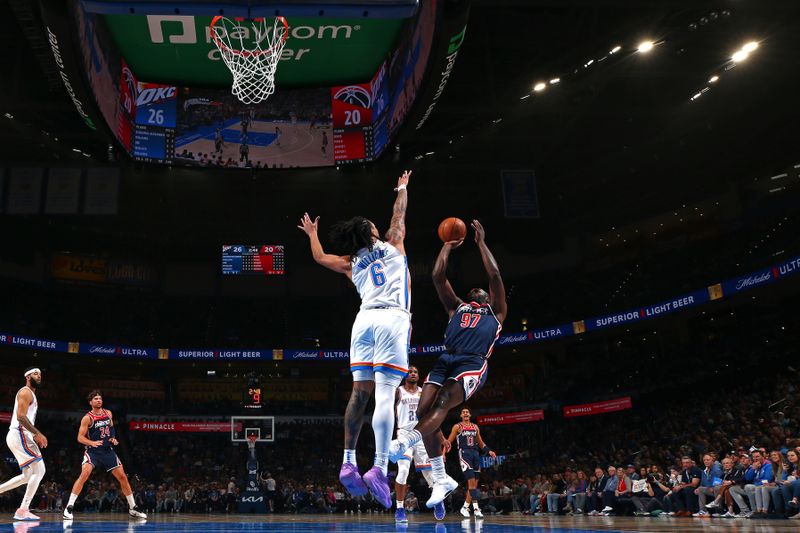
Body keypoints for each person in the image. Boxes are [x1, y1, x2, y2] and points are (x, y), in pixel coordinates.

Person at [297, 170, 412, 509]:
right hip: (392, 317)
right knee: (386, 393)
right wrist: (402, 186)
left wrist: (313, 234)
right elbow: (399, 212)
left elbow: (318, 258)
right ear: (373, 232)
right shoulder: (393, 243)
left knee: (359, 394)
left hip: (363, 322)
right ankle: (378, 466)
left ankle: (348, 460)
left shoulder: (351, 261)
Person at [389, 220, 506, 520]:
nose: (478, 289)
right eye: (474, 289)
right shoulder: (457, 307)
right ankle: (441, 479)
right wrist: (446, 246)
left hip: (472, 362)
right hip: (447, 357)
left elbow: (493, 274)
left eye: (481, 290)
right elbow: (437, 275)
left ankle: (406, 440)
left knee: (441, 404)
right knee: (423, 410)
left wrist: (480, 243)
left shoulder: (497, 310)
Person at [62, 391, 147, 520]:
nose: (98, 400)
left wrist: (112, 437)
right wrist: (92, 442)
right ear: (90, 402)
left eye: (100, 398)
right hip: (93, 451)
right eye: (95, 399)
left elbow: (111, 427)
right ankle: (69, 507)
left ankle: (133, 508)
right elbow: (79, 437)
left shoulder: (108, 413)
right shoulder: (88, 418)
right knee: (84, 475)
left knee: (123, 477)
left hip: (107, 451)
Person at [0, 368, 47, 521]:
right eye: (35, 374)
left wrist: (33, 434)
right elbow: (21, 417)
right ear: (27, 377)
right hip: (20, 433)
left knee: (28, 475)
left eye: (40, 375)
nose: (38, 376)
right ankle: (23, 509)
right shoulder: (25, 392)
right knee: (40, 470)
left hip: (19, 435)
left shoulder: (31, 394)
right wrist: (37, 433)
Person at [393, 366, 435, 523]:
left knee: (429, 474)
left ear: (418, 376)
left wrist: (441, 437)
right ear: (405, 375)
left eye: (416, 372)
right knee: (403, 471)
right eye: (410, 371)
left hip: (421, 434)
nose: (412, 373)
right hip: (404, 434)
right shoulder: (398, 391)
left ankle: (438, 503)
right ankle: (399, 507)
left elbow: (432, 415)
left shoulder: (424, 392)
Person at [445, 408, 496, 519]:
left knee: (474, 485)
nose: (465, 413)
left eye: (467, 412)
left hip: (475, 454)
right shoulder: (457, 427)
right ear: (461, 416)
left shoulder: (475, 427)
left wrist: (490, 451)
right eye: (463, 412)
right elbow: (448, 442)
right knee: (471, 483)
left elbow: (481, 444)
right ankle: (476, 509)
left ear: (470, 414)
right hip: (464, 454)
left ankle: (465, 507)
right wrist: (443, 453)